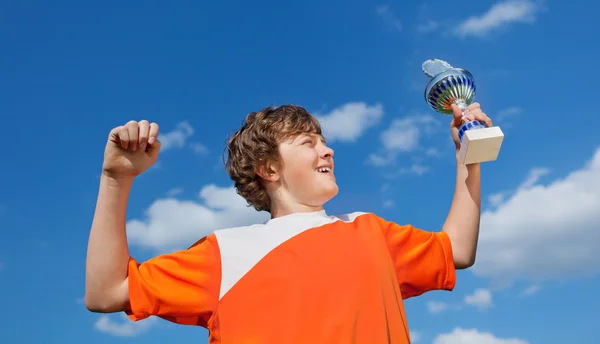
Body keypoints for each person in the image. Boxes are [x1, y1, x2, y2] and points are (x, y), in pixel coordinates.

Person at [85, 103, 492, 344]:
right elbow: (106, 293)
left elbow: (457, 250)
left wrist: (468, 159)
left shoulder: (371, 232)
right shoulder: (226, 253)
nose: (328, 150)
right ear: (268, 168)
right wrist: (115, 178)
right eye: (307, 143)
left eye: (324, 140)